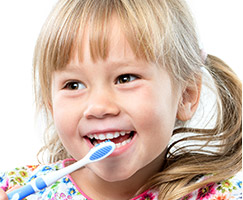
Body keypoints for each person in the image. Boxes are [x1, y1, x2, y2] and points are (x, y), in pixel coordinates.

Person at [0, 0, 241, 199]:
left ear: (186, 95)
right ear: (51, 105)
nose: (98, 107)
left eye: (125, 78)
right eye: (73, 85)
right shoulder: (12, 188)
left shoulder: (221, 195)